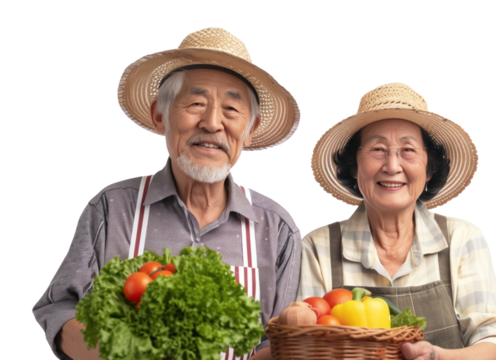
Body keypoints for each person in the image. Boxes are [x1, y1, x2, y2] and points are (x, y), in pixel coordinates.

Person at [31, 25, 302, 360]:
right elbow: (60, 308)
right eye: (196, 103)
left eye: (231, 110)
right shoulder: (111, 207)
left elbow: (280, 342)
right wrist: (119, 354)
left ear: (250, 130)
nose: (212, 123)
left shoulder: (276, 227)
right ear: (160, 116)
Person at [297, 81, 496, 359]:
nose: (392, 166)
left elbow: (493, 346)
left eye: (408, 150)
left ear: (430, 168)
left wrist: (436, 356)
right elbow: (306, 346)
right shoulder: (317, 246)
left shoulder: (462, 238)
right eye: (377, 149)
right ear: (354, 166)